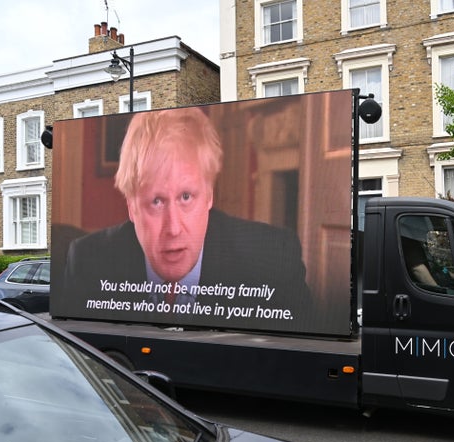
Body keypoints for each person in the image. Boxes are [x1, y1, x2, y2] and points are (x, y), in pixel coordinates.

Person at [59, 107, 313, 325]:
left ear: (209, 196)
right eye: (156, 201)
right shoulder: (88, 261)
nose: (173, 228)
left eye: (186, 197)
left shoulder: (273, 257)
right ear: (132, 207)